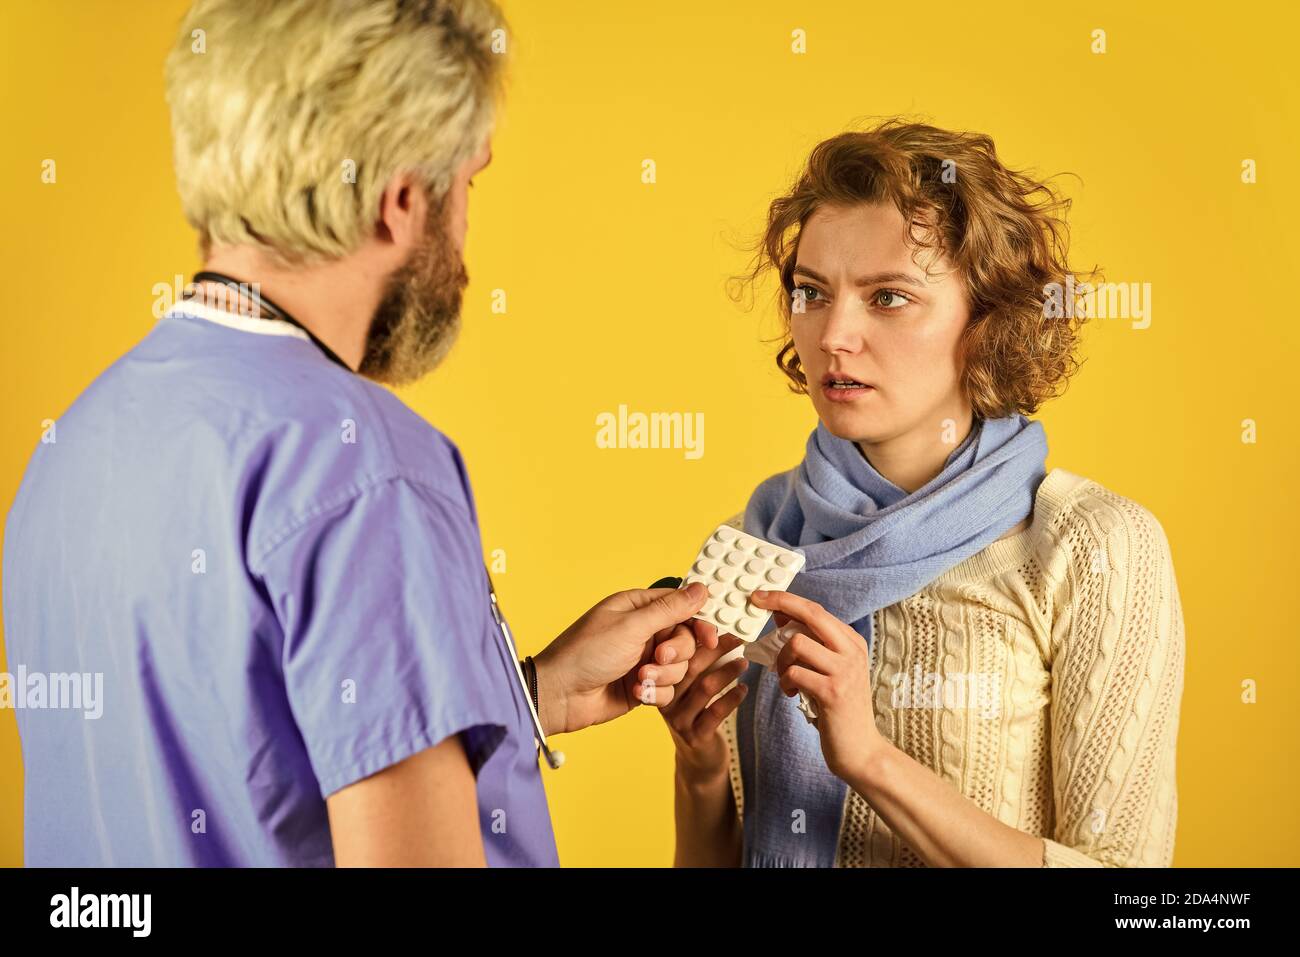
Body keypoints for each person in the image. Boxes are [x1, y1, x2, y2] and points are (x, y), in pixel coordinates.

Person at [1, 0, 715, 867]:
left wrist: (527, 695)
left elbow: (237, 769)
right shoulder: (370, 469)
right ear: (401, 201)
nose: (463, 232)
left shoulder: (76, 443)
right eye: (468, 185)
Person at [660, 120, 1185, 867]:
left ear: (988, 320)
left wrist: (870, 759)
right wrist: (702, 762)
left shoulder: (1091, 548)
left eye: (888, 297)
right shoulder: (760, 535)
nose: (834, 334)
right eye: (812, 291)